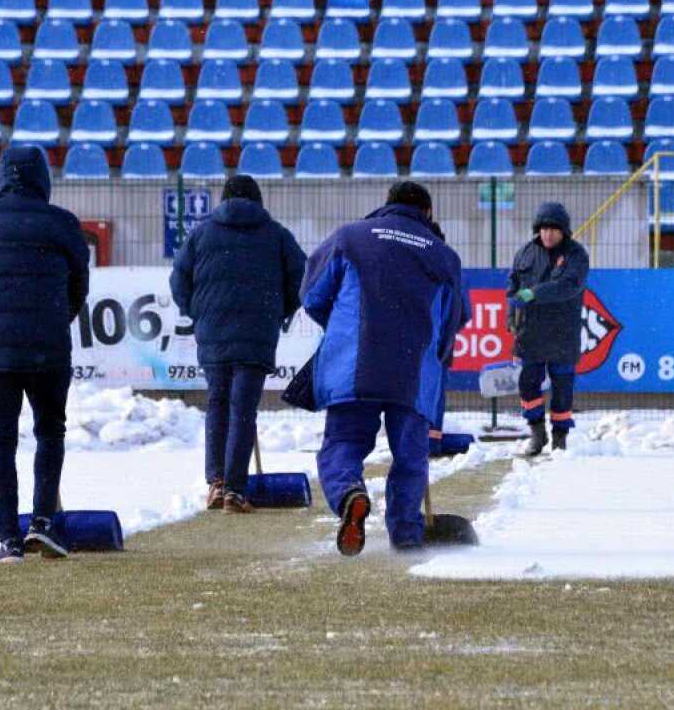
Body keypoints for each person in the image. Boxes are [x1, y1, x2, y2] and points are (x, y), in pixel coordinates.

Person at [301, 181, 465, 555]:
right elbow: (455, 320)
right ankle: (406, 534)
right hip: (413, 370)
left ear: (385, 206)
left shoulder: (349, 237)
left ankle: (349, 495)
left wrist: (344, 327)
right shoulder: (444, 256)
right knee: (410, 455)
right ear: (428, 213)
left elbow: (311, 295)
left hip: (353, 364)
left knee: (344, 442)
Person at [0, 146, 90, 562]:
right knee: (50, 432)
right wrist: (54, 319)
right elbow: (78, 286)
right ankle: (43, 523)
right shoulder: (63, 223)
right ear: (43, 179)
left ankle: (9, 538)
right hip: (47, 347)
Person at [170, 174, 306, 513]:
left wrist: (197, 313)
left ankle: (215, 482)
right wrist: (278, 311)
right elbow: (302, 278)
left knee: (217, 403)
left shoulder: (201, 233)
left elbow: (178, 279)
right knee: (243, 408)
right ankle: (235, 490)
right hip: (257, 333)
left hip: (213, 333)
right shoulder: (276, 234)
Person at [507, 202, 590, 457]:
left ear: (564, 231)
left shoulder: (576, 255)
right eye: (543, 229)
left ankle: (560, 438)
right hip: (530, 335)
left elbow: (568, 285)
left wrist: (534, 293)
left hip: (563, 334)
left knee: (562, 387)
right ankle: (537, 432)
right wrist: (512, 318)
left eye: (554, 229)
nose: (548, 234)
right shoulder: (525, 253)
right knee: (528, 385)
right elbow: (513, 288)